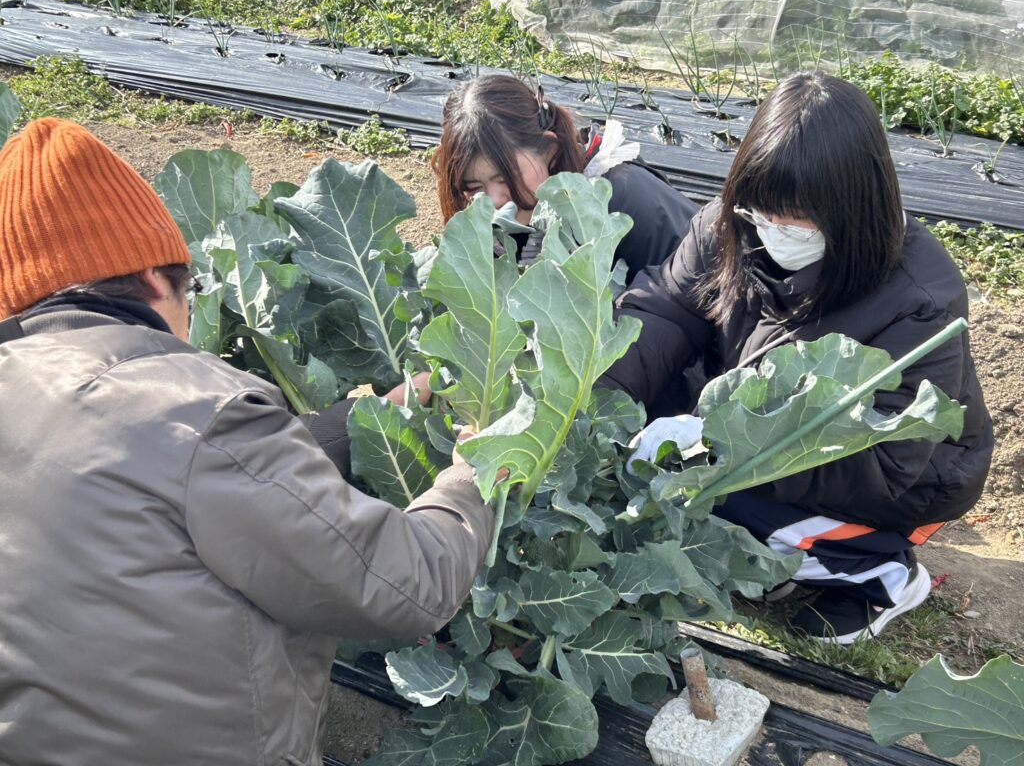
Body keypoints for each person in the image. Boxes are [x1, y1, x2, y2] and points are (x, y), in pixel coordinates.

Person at [0, 118, 493, 764]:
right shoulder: (194, 409)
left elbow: (163, 471)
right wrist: (474, 473)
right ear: (152, 279)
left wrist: (367, 414)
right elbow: (407, 584)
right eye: (190, 289)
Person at [606, 73, 993, 644]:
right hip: (766, 431)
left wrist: (720, 443)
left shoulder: (918, 298)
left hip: (904, 480)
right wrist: (598, 402)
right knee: (652, 450)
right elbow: (665, 311)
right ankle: (784, 540)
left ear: (852, 206)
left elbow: (887, 461)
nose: (775, 229)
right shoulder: (731, 225)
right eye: (763, 210)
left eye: (796, 217)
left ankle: (878, 572)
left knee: (707, 494)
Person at [432, 74, 701, 283]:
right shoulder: (519, 220)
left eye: (506, 178)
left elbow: (683, 313)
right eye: (474, 188)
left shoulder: (622, 201)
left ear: (550, 150)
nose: (495, 201)